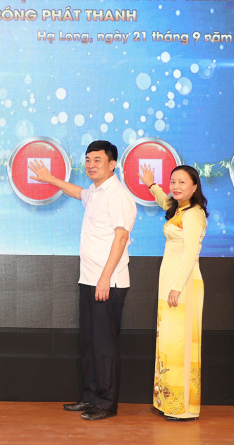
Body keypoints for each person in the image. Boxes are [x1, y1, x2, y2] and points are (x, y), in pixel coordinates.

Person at [29, 140, 137, 421]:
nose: (90, 165)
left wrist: (105, 277)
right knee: (90, 343)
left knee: (105, 345)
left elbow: (121, 238)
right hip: (89, 279)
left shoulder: (118, 195)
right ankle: (91, 397)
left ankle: (106, 403)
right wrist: (49, 178)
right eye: (88, 159)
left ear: (112, 164)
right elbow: (77, 192)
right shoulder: (95, 192)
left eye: (97, 160)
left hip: (108, 282)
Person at [140, 164, 208, 420]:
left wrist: (177, 288)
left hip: (184, 285)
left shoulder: (194, 214)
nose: (176, 186)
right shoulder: (180, 208)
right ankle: (167, 401)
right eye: (173, 182)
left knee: (181, 344)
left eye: (182, 182)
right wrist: (151, 185)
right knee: (169, 342)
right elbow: (164, 200)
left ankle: (183, 408)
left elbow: (190, 254)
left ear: (194, 186)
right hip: (170, 284)